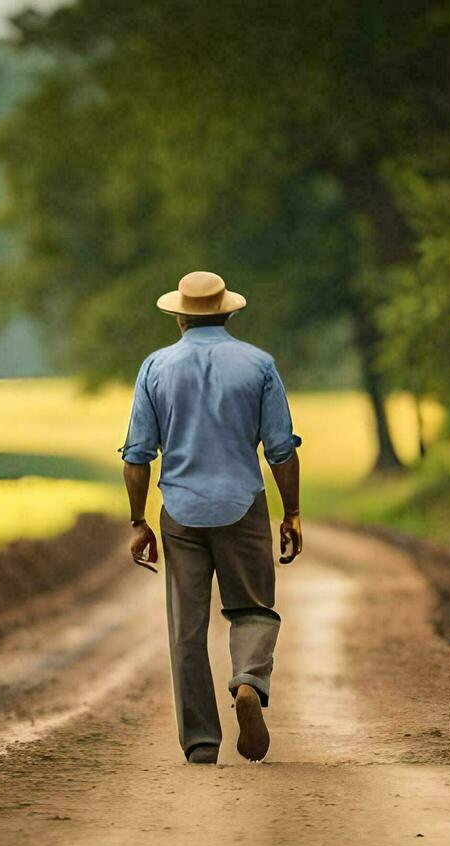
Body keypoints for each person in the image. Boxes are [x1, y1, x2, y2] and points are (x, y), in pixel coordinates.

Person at [119, 271, 303, 765]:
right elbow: (280, 450)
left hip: (181, 511)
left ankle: (201, 741)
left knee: (187, 629)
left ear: (179, 314)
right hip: (242, 505)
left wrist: (139, 521)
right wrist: (292, 513)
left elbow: (137, 456)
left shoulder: (156, 367)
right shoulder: (258, 365)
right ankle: (247, 680)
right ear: (228, 311)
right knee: (253, 608)